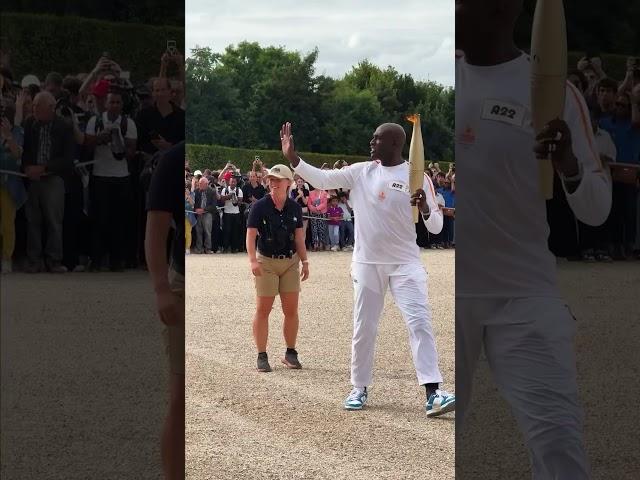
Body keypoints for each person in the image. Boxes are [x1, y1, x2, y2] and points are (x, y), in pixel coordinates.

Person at [456, 0, 612, 478]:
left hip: (524, 294)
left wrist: (568, 167)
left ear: (505, 8)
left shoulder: (555, 93)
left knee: (559, 449)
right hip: (451, 296)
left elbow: (598, 207)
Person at [280, 121, 455, 416]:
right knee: (364, 328)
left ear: (395, 144)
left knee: (420, 324)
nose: (371, 143)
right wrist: (293, 159)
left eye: (376, 139)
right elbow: (323, 179)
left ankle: (433, 392)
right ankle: (359, 387)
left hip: (405, 264)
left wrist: (425, 208)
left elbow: (436, 227)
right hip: (367, 264)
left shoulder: (416, 176)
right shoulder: (362, 171)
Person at [145, 142, 185, 480]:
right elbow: (155, 232)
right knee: (180, 397)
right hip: (182, 282)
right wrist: (161, 289)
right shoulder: (173, 159)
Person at [246, 164, 309, 373]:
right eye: (271, 179)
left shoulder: (294, 207)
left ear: (288, 183)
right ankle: (261, 355)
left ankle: (290, 353)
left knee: (291, 310)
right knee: (263, 309)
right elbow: (251, 235)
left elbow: (299, 237)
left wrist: (305, 261)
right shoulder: (259, 206)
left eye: (277, 179)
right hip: (267, 262)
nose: (273, 182)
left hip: (290, 262)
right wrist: (253, 260)